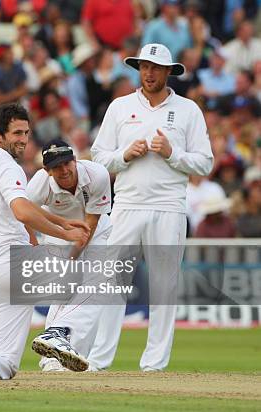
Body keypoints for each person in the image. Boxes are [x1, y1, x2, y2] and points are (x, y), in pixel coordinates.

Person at [90, 43, 213, 372]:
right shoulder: (119, 107)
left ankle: (154, 366)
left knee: (163, 288)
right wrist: (124, 155)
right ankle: (99, 362)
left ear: (169, 71)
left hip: (169, 207)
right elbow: (99, 157)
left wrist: (173, 153)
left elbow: (205, 163)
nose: (149, 73)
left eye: (156, 67)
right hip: (127, 205)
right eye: (144, 66)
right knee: (112, 287)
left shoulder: (188, 111)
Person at [0, 103, 91, 381]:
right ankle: (57, 334)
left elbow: (22, 207)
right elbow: (22, 211)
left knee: (5, 362)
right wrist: (67, 234)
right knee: (95, 275)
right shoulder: (7, 167)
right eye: (17, 133)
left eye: (26, 132)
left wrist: (60, 222)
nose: (24, 139)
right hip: (13, 263)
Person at [26, 140, 112, 372]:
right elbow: (25, 213)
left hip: (95, 231)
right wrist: (32, 240)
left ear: (75, 160)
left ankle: (68, 349)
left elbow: (89, 227)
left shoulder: (97, 175)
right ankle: (52, 359)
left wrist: (74, 256)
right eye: (56, 167)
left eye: (67, 163)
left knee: (96, 288)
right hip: (57, 234)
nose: (64, 170)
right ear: (47, 170)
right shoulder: (38, 187)